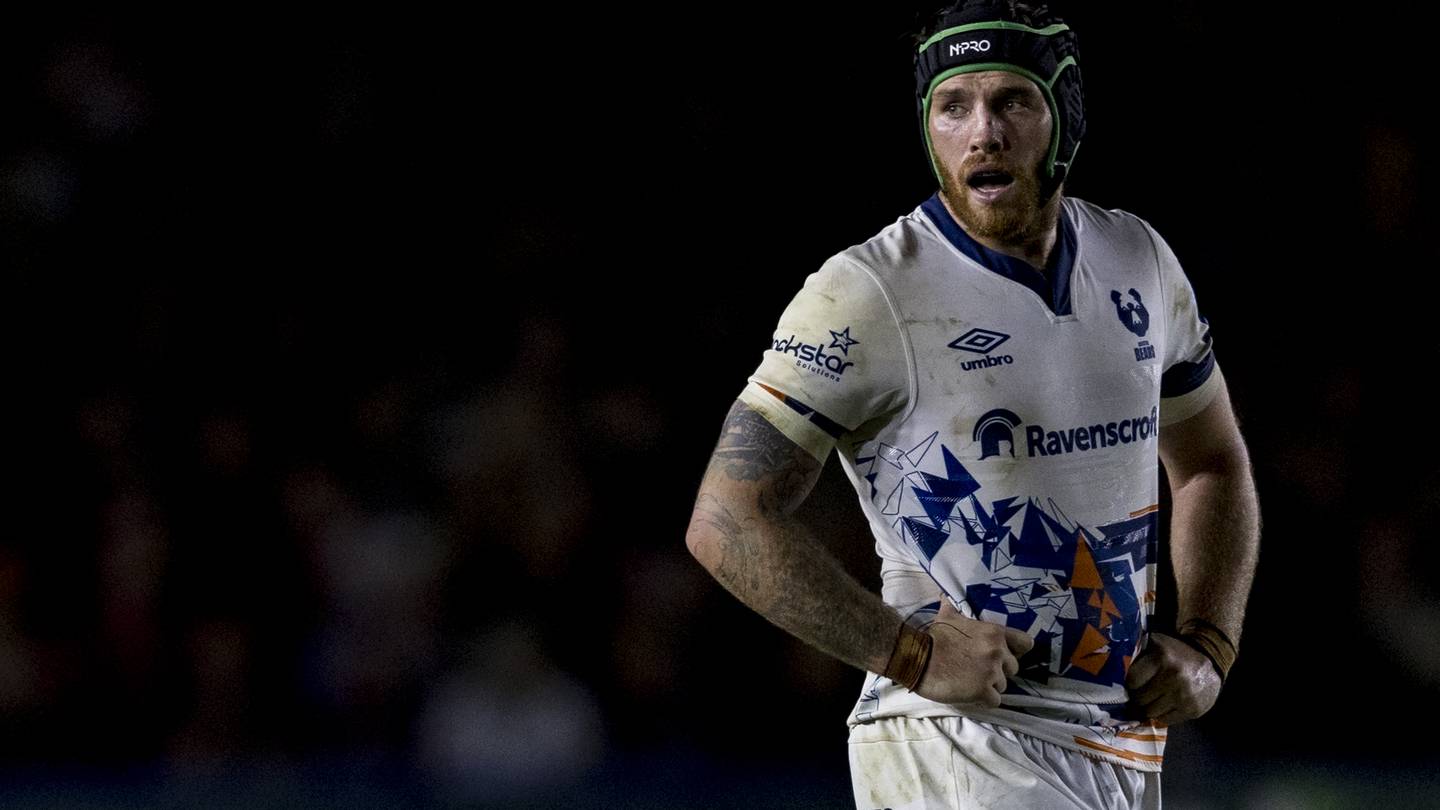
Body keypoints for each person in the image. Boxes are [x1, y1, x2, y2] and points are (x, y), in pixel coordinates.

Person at [683, 1, 1261, 807]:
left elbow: (1210, 464)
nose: (982, 132)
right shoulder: (867, 291)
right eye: (953, 107)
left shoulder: (1140, 260)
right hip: (954, 744)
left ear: (1065, 118)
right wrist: (908, 653)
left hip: (1120, 746)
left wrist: (1210, 643)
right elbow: (725, 519)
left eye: (1012, 102)